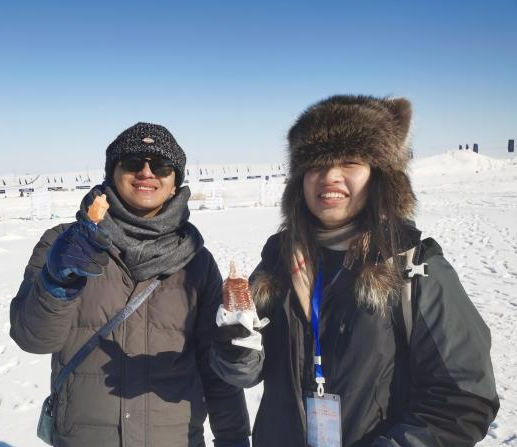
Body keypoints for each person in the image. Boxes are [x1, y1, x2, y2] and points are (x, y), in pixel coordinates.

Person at [210, 95, 499, 446]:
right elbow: (245, 372)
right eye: (316, 165)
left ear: (379, 177)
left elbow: (464, 399)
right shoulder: (277, 261)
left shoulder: (411, 265)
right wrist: (235, 351)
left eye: (350, 161)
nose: (330, 176)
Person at [10, 122, 250, 447]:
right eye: (133, 163)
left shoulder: (197, 261)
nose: (147, 173)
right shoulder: (64, 244)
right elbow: (33, 339)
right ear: (113, 172)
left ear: (176, 180)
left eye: (162, 166)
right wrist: (56, 281)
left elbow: (216, 365)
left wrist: (234, 438)